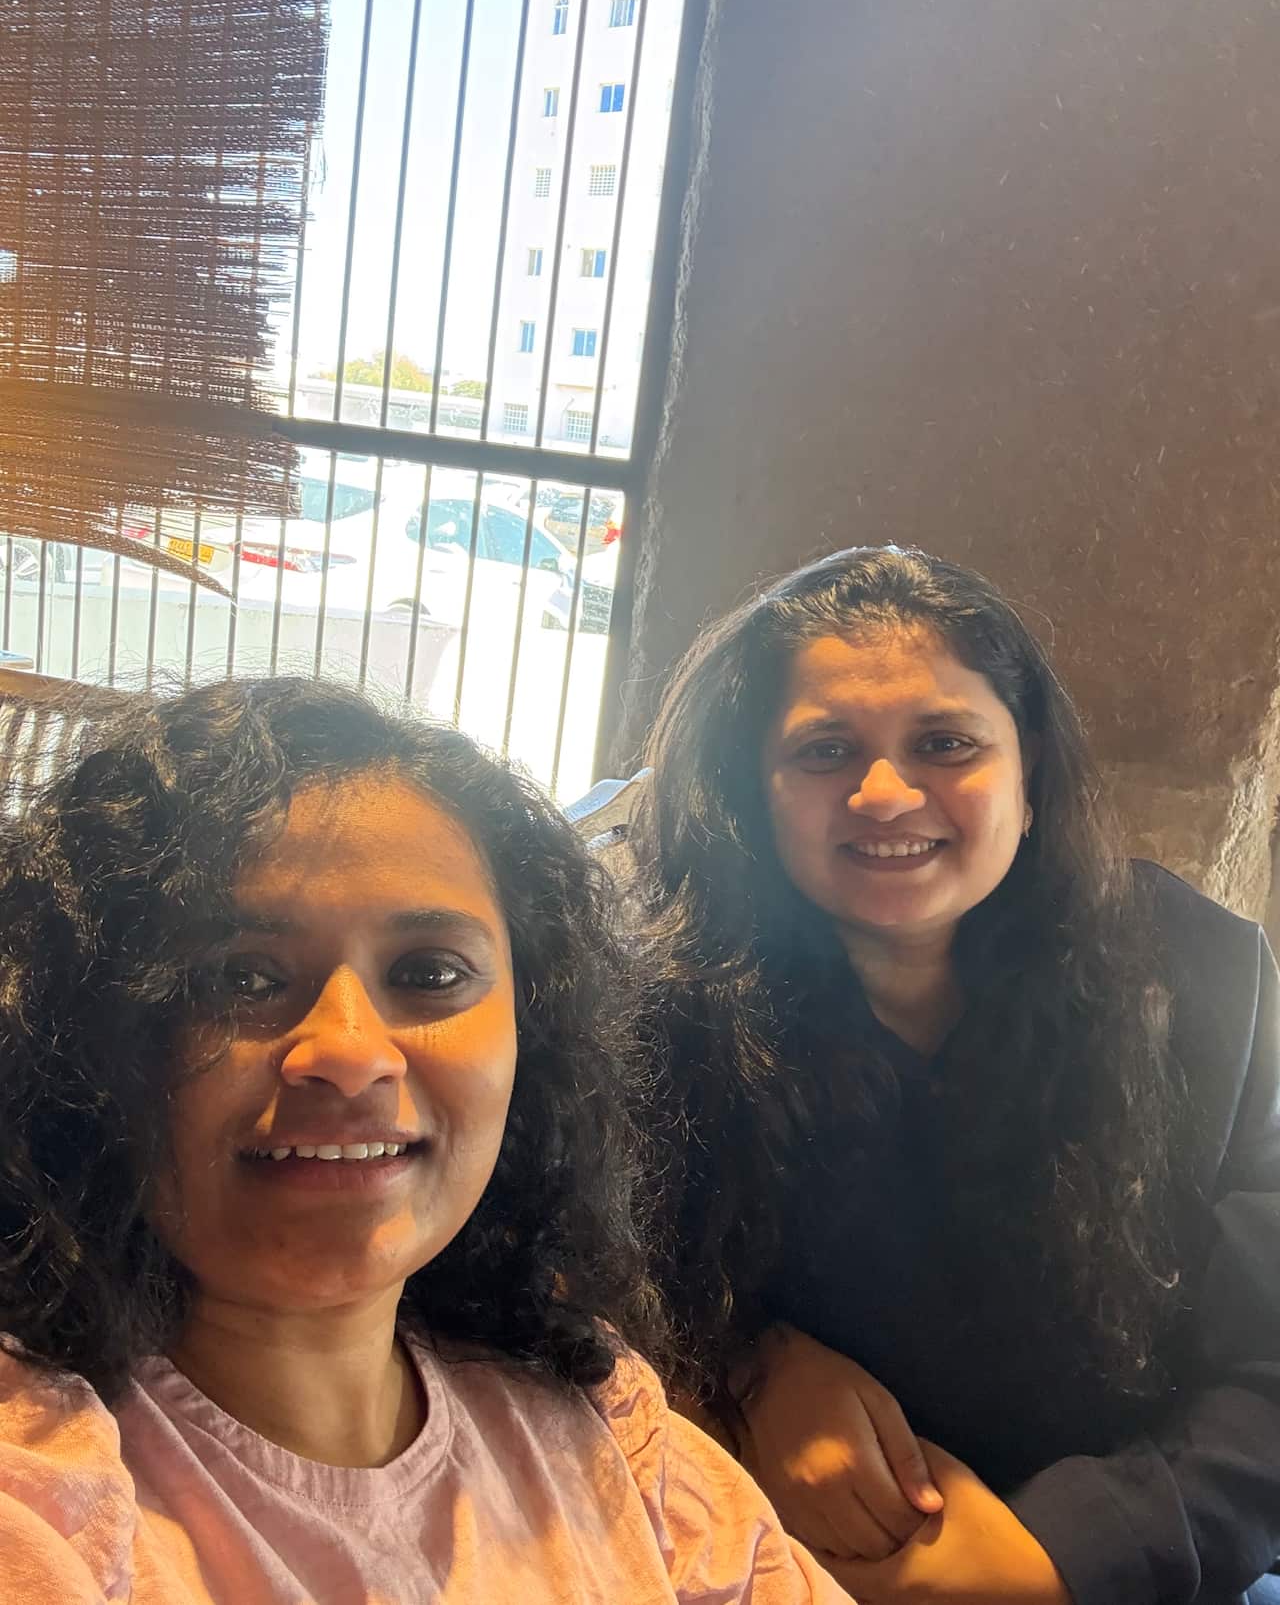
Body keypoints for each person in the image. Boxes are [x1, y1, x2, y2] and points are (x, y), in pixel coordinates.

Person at [0, 676, 851, 1605]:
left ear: (531, 1032)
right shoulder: (44, 1495)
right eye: (241, 978)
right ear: (80, 1037)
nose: (350, 1054)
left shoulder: (608, 1429)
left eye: (430, 973)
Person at [629, 545, 1280, 1605]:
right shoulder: (652, 1010)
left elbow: (1266, 1369)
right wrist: (740, 1370)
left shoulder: (1208, 979)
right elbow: (562, 1293)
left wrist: (1059, 1559)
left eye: (944, 743)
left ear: (1030, 777)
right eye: (826, 750)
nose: (884, 794)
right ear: (752, 793)